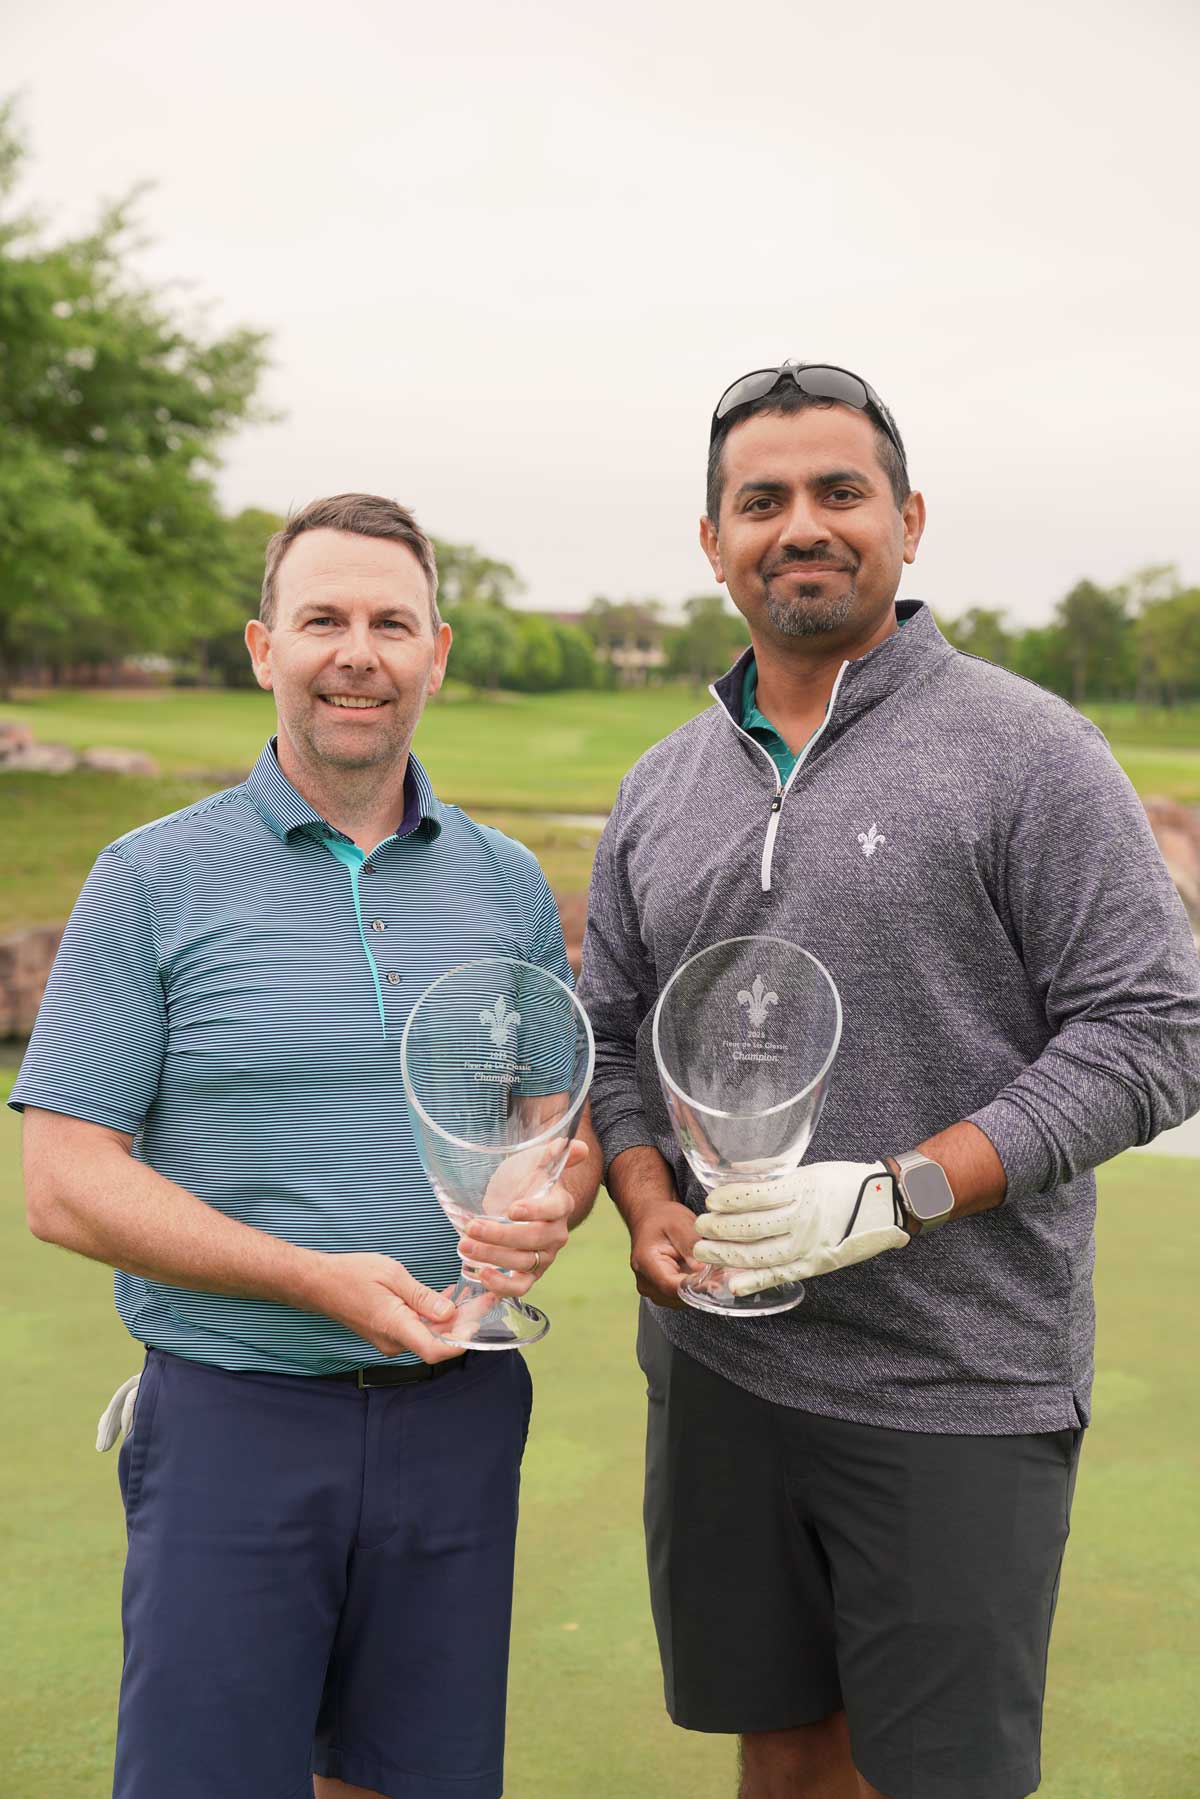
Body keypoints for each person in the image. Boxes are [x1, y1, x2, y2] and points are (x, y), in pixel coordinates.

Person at [576, 362, 1200, 1799]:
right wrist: (641, 1193)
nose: (803, 525)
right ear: (714, 540)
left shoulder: (1031, 751)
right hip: (724, 1368)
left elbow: (1153, 1034)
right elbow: (609, 1032)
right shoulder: (665, 782)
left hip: (957, 1383)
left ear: (908, 521)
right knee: (783, 1756)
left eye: (839, 493)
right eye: (763, 500)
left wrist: (899, 1193)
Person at [14, 492, 602, 1799]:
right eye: (322, 619)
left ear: (436, 653)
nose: (358, 652)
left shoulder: (505, 881)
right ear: (260, 647)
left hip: (460, 1409)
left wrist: (551, 1195)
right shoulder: (150, 877)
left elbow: (557, 1128)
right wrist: (313, 1277)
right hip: (234, 1413)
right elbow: (62, 1184)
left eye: (391, 622)